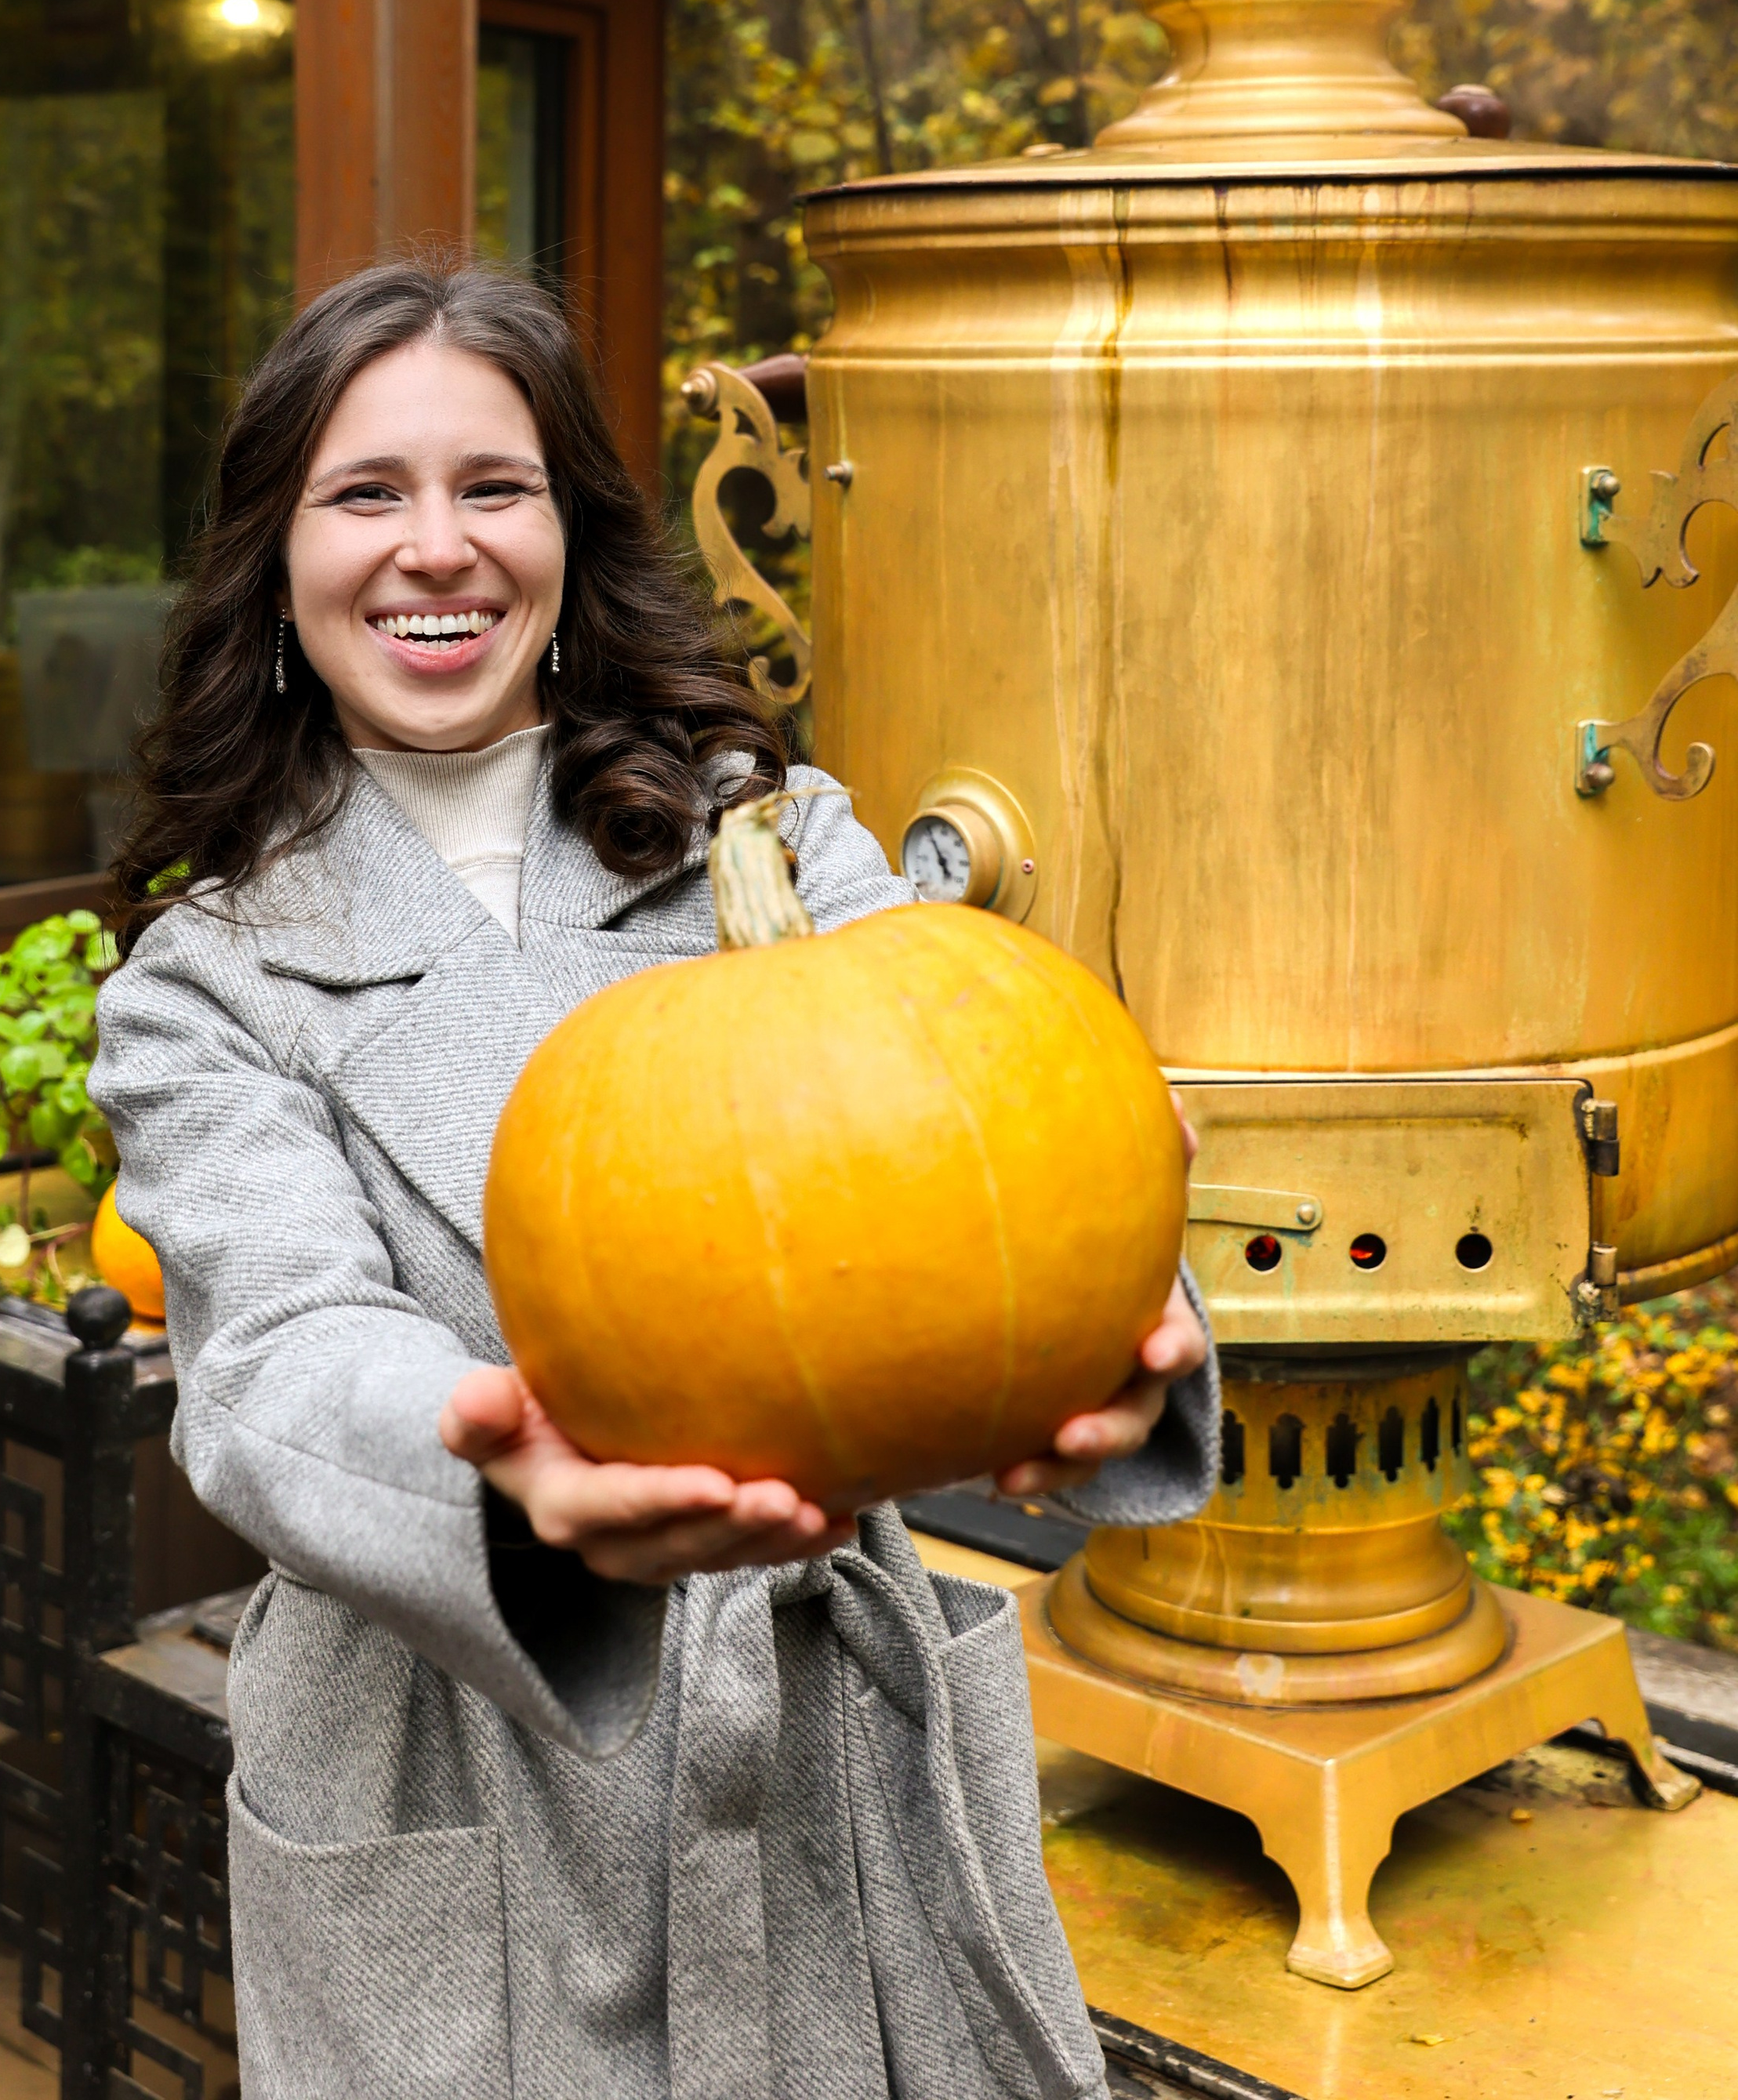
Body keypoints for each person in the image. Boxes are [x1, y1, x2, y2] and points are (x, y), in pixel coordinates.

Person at [91, 259, 1216, 2100]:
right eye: (365, 494)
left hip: (813, 1734)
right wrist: (511, 1473)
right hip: (447, 1762)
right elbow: (272, 1363)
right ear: (276, 567)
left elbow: (980, 1135)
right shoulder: (209, 978)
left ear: (567, 536)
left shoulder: (772, 837)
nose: (434, 548)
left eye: (493, 488)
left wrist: (1119, 1292)